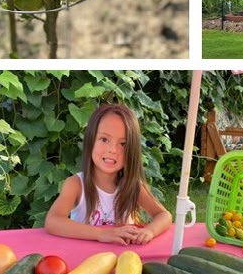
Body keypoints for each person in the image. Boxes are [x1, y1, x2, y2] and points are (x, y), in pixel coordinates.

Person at [45, 103, 172, 245]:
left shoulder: (133, 185)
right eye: (104, 139)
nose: (112, 150)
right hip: (86, 261)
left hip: (124, 258)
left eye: (123, 144)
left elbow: (164, 215)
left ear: (132, 150)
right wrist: (102, 234)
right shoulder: (75, 185)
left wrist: (150, 231)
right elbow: (53, 221)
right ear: (90, 140)